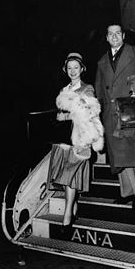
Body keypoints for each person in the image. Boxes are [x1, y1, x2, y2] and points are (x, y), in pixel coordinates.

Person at [94, 23, 135, 211]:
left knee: (131, 155)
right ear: (107, 38)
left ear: (123, 35)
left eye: (118, 33)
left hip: (132, 111)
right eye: (110, 34)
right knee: (118, 156)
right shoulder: (101, 61)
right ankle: (126, 193)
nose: (114, 36)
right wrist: (97, 114)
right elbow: (99, 90)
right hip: (111, 113)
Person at [49, 53, 104, 238]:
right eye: (69, 68)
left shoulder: (87, 89)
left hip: (80, 137)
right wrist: (60, 117)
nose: (73, 71)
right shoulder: (64, 89)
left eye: (76, 67)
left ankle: (67, 216)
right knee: (67, 177)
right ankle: (74, 207)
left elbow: (90, 111)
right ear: (66, 69)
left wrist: (67, 115)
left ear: (82, 69)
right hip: (65, 139)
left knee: (70, 176)